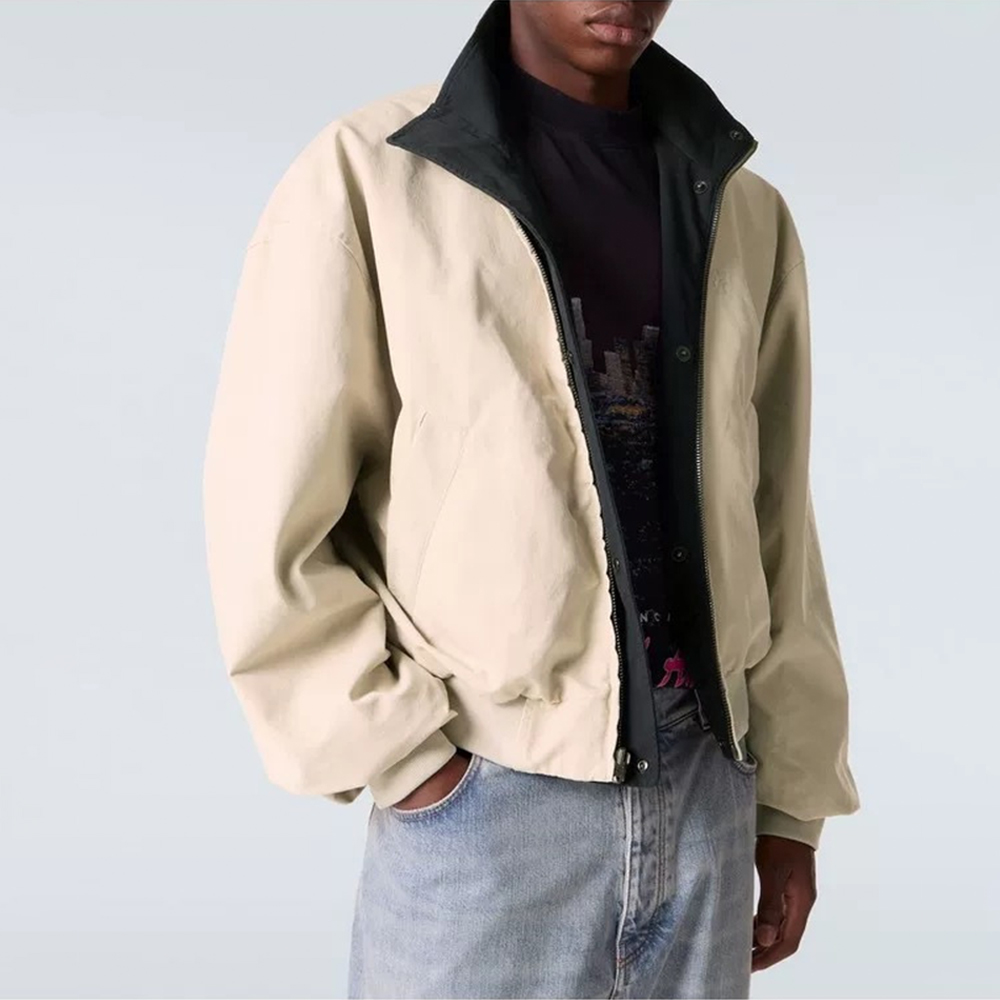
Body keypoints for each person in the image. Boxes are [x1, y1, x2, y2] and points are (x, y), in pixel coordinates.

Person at [202, 1, 860, 996]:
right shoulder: (373, 174)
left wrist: (791, 805)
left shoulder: (741, 206)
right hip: (490, 790)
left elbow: (777, 520)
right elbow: (269, 508)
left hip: (707, 784)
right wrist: (407, 759)